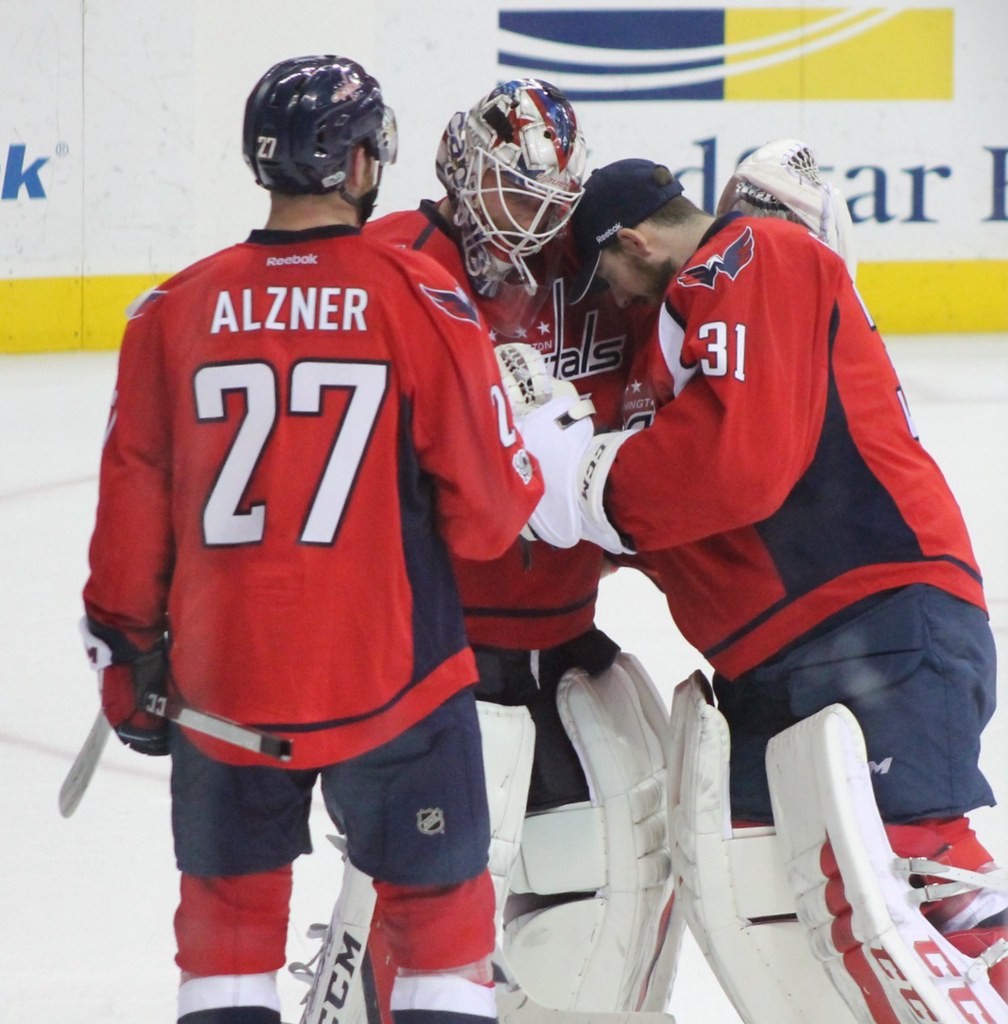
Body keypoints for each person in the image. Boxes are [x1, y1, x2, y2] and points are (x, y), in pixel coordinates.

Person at [79, 55, 545, 1024]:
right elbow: (495, 515)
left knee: (227, 938)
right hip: (395, 686)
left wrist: (128, 662)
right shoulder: (420, 298)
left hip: (224, 692)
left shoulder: (170, 312)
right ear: (364, 162)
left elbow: (129, 524)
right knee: (445, 935)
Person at [516, 152, 1008, 1004]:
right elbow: (674, 509)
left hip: (878, 624)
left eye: (610, 280)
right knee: (768, 909)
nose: (614, 305)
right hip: (783, 662)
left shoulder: (754, 256)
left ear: (633, 241)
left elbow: (739, 463)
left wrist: (583, 478)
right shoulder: (669, 342)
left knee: (931, 895)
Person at [354, 80, 675, 1018]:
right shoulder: (390, 266)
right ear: (461, 167)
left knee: (614, 884)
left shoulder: (598, 265)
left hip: (568, 640)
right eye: (513, 195)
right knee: (429, 891)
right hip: (443, 645)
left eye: (549, 203)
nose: (532, 225)